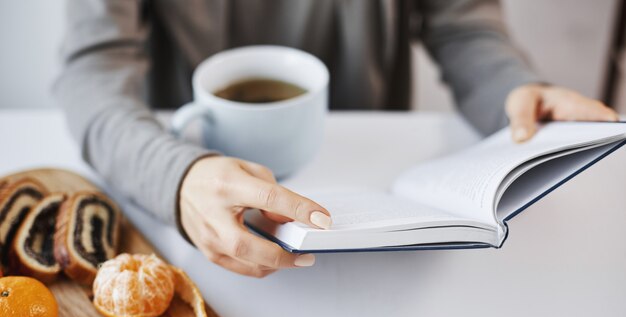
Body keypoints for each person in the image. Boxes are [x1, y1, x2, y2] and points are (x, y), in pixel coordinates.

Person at [55, 0, 618, 278]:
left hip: (379, 212)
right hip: (197, 219)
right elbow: (91, 68)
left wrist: (516, 90)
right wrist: (173, 175)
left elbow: (461, 22)